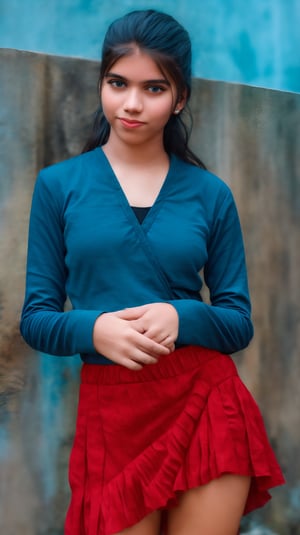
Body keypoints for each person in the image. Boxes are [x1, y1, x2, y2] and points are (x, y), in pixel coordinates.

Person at [20, 9, 285, 535]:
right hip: (113, 410)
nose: (132, 104)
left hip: (205, 402)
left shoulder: (210, 194)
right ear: (101, 83)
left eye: (154, 88)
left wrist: (180, 315)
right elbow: (37, 317)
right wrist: (92, 328)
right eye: (118, 83)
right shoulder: (59, 186)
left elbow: (237, 321)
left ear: (180, 98)